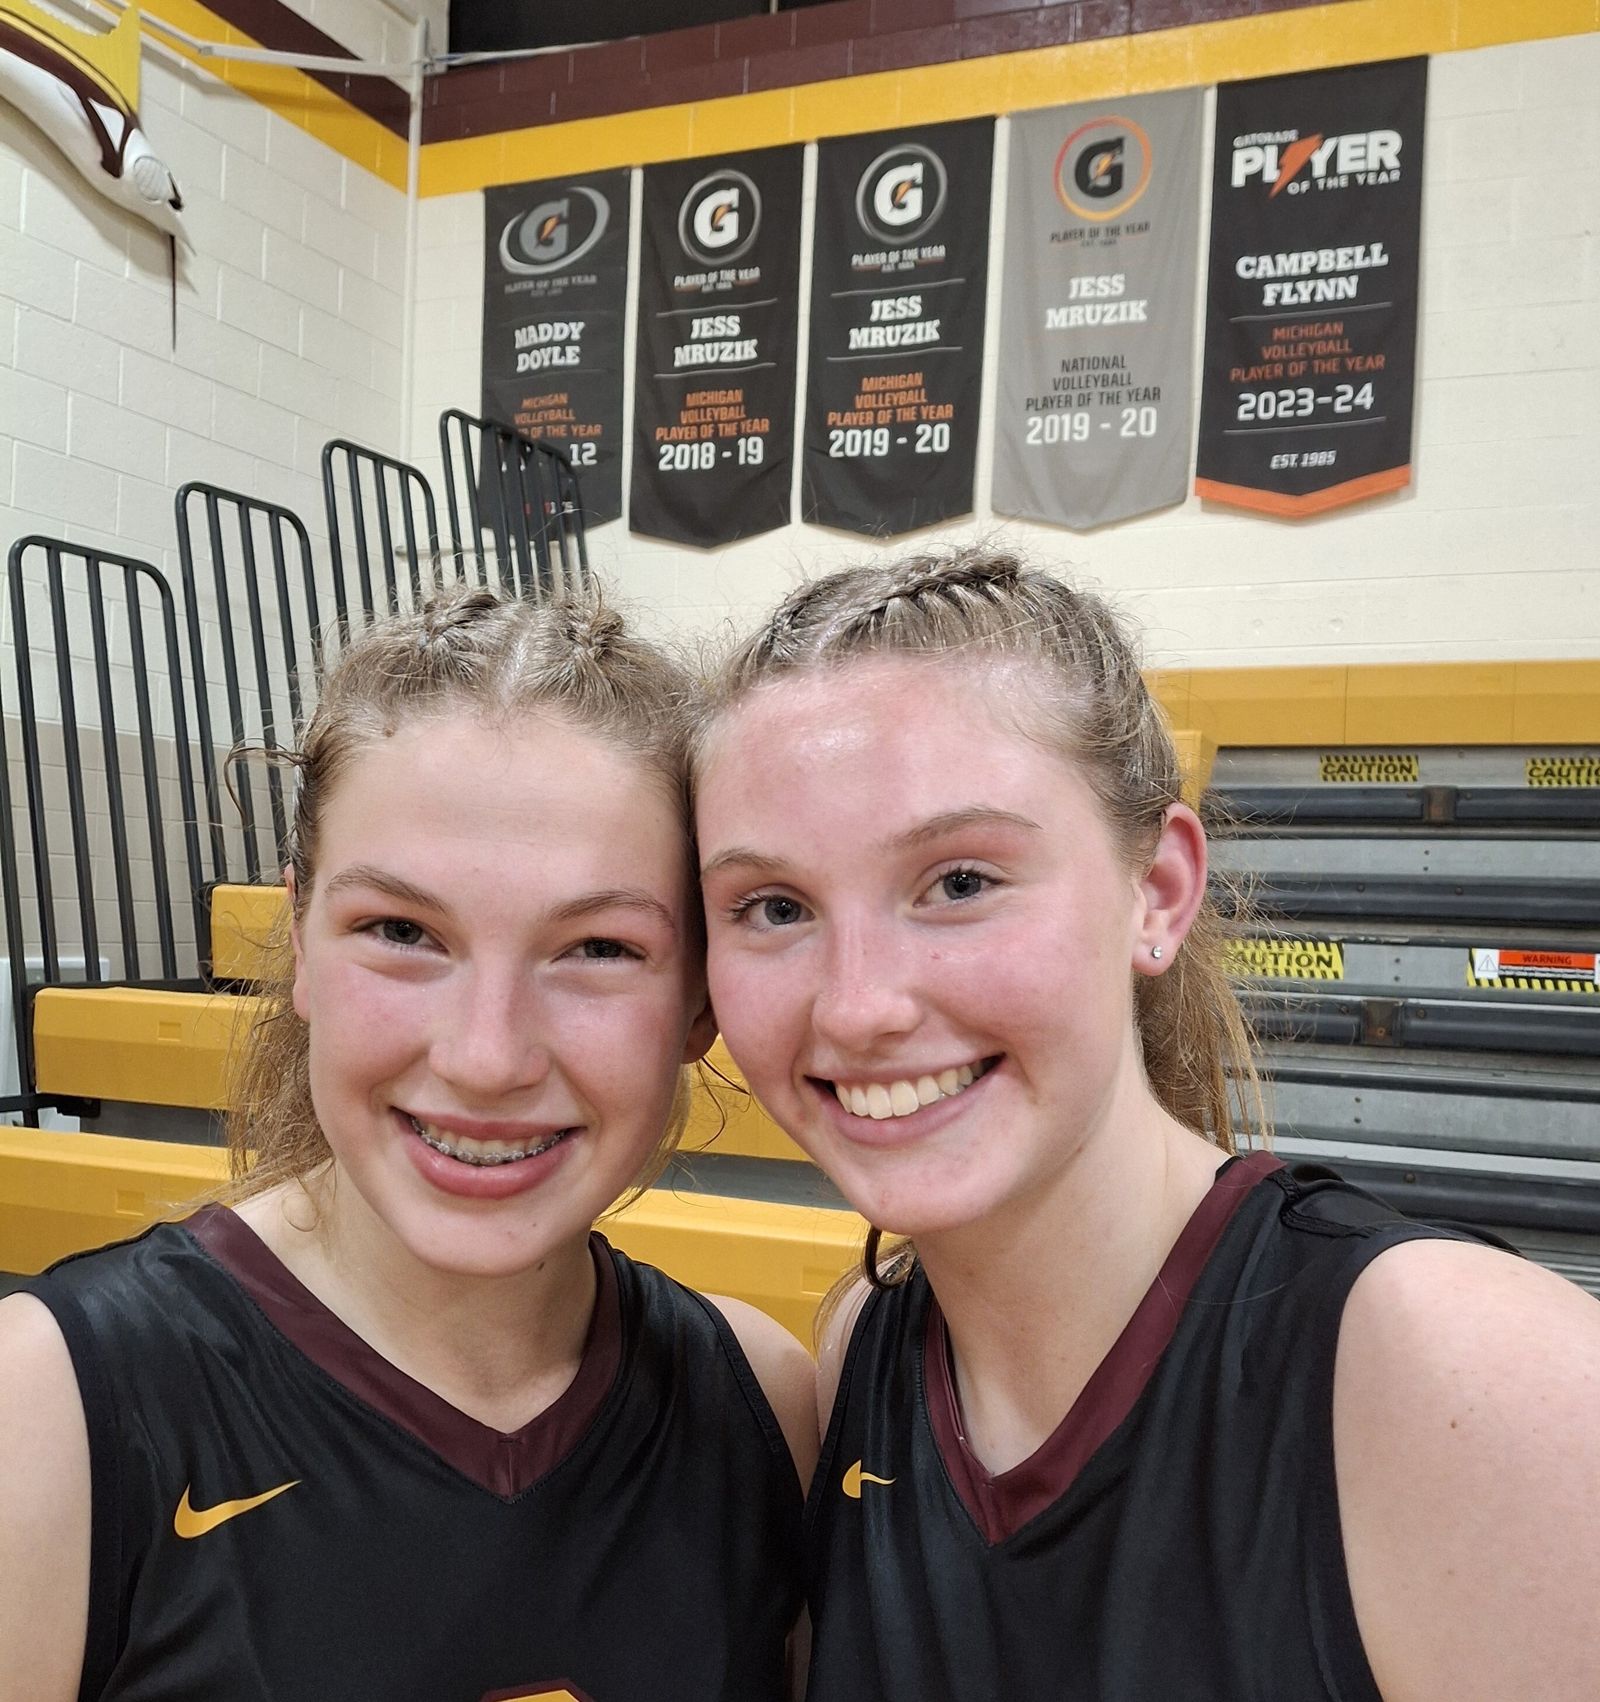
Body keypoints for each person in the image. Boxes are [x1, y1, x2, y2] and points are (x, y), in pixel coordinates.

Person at [691, 547, 1600, 1702]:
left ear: (1158, 891)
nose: (860, 1004)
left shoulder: (1469, 1381)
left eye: (960, 881)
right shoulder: (861, 1350)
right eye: (773, 907)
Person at [0, 586, 815, 1702]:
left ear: (699, 1001)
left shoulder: (764, 1403)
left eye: (597, 947)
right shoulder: (47, 1409)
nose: (487, 1056)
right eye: (400, 931)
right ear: (298, 941)